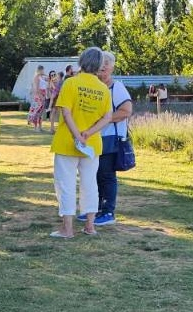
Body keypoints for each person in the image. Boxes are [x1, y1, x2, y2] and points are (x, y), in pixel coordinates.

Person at [49, 46, 112, 238]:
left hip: (67, 142)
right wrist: (87, 133)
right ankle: (90, 226)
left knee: (65, 184)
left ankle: (67, 229)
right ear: (99, 65)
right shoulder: (103, 89)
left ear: (81, 61)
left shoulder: (71, 83)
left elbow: (66, 112)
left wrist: (76, 135)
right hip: (91, 144)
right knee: (90, 184)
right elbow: (107, 117)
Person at [79, 51, 132, 227]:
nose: (103, 68)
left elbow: (126, 111)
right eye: (101, 64)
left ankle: (108, 212)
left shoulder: (116, 87)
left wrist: (103, 120)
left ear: (112, 68)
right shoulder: (94, 86)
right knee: (94, 175)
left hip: (110, 138)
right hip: (96, 137)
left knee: (106, 175)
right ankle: (94, 210)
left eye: (106, 65)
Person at [27, 65, 47, 131]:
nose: (43, 71)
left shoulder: (42, 77)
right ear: (40, 70)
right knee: (37, 111)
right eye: (43, 70)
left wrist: (44, 74)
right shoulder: (36, 77)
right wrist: (41, 96)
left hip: (43, 94)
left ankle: (40, 127)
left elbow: (49, 79)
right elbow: (37, 88)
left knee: (41, 112)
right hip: (39, 95)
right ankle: (36, 127)